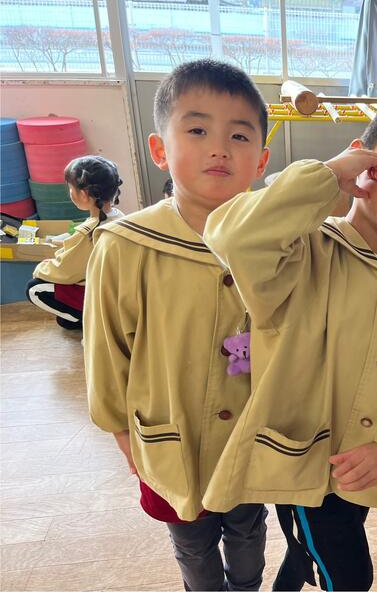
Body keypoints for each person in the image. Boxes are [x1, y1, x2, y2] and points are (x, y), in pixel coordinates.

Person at [202, 98, 377, 591]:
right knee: (350, 576)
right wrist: (328, 176)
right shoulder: (303, 252)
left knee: (307, 554)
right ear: (361, 156)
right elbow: (233, 236)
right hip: (303, 468)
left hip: (360, 473)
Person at [84, 59, 270, 591]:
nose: (220, 148)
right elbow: (106, 356)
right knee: (191, 543)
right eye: (197, 130)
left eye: (239, 136)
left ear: (260, 160)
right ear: (159, 149)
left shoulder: (279, 245)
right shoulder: (125, 247)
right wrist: (124, 437)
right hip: (171, 443)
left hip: (249, 440)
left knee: (248, 528)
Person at [26, 155, 123, 329]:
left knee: (34, 288)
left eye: (70, 188)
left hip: (102, 297)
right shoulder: (120, 217)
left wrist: (41, 267)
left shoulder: (90, 232)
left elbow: (66, 270)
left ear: (84, 194)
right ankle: (84, 317)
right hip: (117, 292)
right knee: (64, 320)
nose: (70, 192)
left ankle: (94, 323)